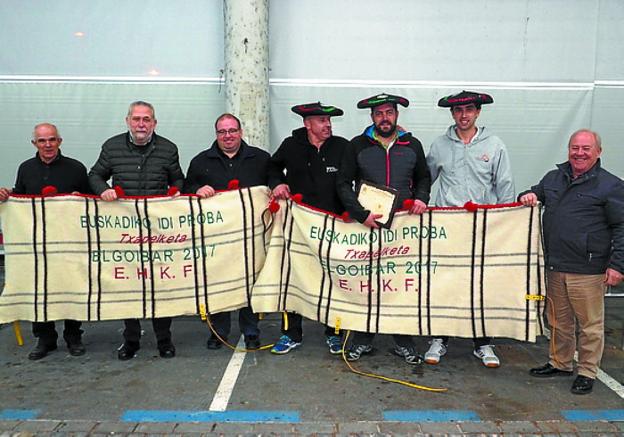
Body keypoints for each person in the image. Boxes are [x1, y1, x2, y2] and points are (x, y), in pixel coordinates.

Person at [520, 129, 624, 395]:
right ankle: (560, 362)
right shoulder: (554, 178)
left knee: (590, 325)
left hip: (588, 269)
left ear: (598, 152)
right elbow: (534, 193)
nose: (579, 153)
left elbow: (622, 227)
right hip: (555, 266)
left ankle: (588, 371)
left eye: (586, 148)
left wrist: (618, 265)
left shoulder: (611, 185)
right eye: (575, 148)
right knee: (558, 320)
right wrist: (527, 196)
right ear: (568, 150)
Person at [336, 93, 431, 364]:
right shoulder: (357, 145)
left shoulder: (412, 144)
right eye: (379, 114)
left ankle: (404, 341)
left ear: (397, 115)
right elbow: (343, 183)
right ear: (372, 117)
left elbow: (423, 176)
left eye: (389, 112)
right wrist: (360, 214)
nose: (384, 118)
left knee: (400, 284)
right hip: (368, 225)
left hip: (403, 227)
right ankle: (362, 340)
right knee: (365, 284)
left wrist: (422, 197)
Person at [424, 90, 515, 368]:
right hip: (447, 226)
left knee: (479, 285)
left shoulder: (495, 144)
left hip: (481, 227)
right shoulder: (440, 145)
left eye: (469, 110)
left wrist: (505, 225)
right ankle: (439, 338)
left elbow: (505, 186)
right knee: (444, 282)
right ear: (452, 114)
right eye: (458, 111)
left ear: (478, 112)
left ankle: (482, 342)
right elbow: (424, 181)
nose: (463, 115)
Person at [89, 101, 184, 360]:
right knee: (127, 285)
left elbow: (178, 178)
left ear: (154, 123)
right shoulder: (112, 147)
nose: (141, 124)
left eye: (147, 119)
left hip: (157, 231)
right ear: (127, 120)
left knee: (161, 284)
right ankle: (130, 340)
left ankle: (164, 339)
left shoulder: (168, 149)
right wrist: (102, 190)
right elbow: (95, 175)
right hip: (125, 232)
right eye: (136, 119)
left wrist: (174, 192)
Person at [0, 123, 90, 360]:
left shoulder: (76, 168)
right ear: (34, 144)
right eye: (42, 141)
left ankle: (73, 337)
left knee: (71, 287)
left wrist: (80, 199)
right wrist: (7, 197)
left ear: (60, 141)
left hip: (70, 241)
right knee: (40, 289)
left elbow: (92, 200)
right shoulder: (25, 168)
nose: (47, 144)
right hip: (36, 243)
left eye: (52, 139)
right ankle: (45, 339)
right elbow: (19, 199)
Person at [267, 102, 349, 355]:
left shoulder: (342, 146)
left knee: (333, 279)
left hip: (333, 224)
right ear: (307, 124)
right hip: (299, 225)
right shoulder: (291, 146)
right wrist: (278, 183)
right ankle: (291, 333)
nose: (328, 125)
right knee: (293, 277)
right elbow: (271, 167)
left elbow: (354, 179)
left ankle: (334, 332)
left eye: (329, 121)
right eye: (322, 121)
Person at [184, 113, 269, 350]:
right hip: (216, 236)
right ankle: (218, 331)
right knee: (218, 281)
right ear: (216, 134)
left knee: (251, 282)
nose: (228, 136)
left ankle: (251, 331)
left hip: (251, 235)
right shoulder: (200, 161)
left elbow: (273, 181)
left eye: (232, 131)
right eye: (222, 132)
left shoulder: (260, 158)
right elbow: (186, 187)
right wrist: (197, 188)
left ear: (241, 132)